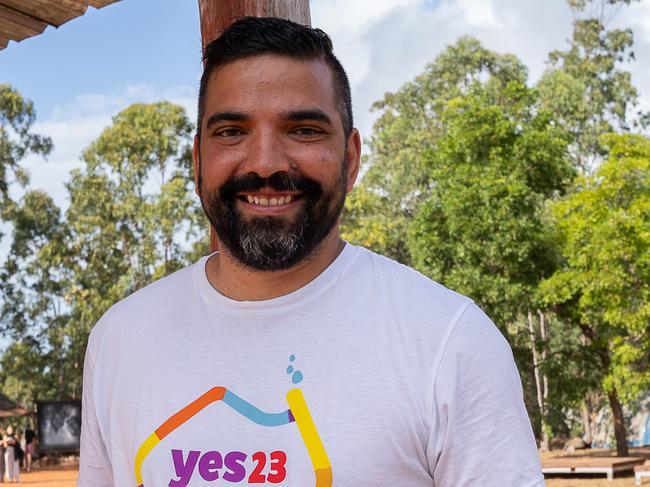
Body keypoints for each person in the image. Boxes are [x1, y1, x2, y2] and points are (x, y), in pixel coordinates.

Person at [78, 17, 544, 487]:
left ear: (351, 157)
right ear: (198, 160)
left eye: (303, 130)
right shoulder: (120, 340)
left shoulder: (450, 342)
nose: (264, 163)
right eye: (232, 131)